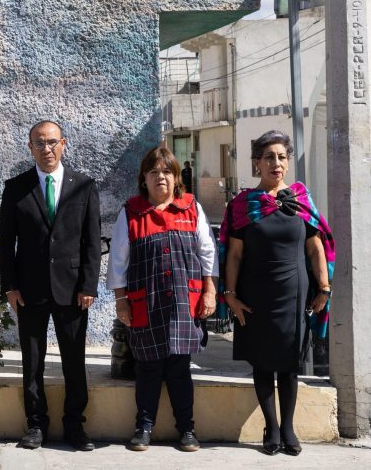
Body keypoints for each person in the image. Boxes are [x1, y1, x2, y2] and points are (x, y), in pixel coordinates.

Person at [220, 130, 335, 456]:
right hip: (255, 296)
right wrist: (229, 294)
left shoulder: (300, 200)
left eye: (282, 157)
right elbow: (234, 255)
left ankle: (288, 428)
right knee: (262, 363)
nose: (276, 163)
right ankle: (270, 427)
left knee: (289, 364)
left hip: (295, 297)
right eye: (269, 157)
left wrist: (324, 289)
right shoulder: (244, 205)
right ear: (257, 163)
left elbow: (316, 249)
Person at [106, 146, 217, 452]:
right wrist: (121, 300)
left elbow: (208, 252)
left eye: (167, 172)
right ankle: (143, 427)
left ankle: (187, 429)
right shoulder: (131, 212)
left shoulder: (191, 208)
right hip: (146, 302)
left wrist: (210, 290)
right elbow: (118, 260)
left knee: (180, 367)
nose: (161, 178)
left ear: (176, 177)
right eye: (154, 172)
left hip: (184, 301)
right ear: (144, 178)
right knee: (148, 367)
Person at [0, 120, 101, 451]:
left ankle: (75, 425)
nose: (47, 149)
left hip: (73, 291)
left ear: (64, 144)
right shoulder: (16, 188)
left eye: (53, 142)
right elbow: (6, 242)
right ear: (30, 148)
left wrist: (88, 285)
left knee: (74, 361)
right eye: (40, 143)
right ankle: (35, 424)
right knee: (32, 361)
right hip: (29, 290)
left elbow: (91, 241)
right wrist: (10, 286)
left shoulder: (84, 186)